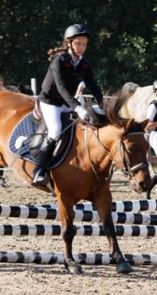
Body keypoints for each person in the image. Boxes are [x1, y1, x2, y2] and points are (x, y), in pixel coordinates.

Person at [32, 24, 104, 184]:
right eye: (78, 43)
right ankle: (39, 170)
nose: (81, 47)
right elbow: (62, 88)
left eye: (84, 44)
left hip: (67, 101)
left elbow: (93, 85)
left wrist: (101, 102)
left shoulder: (83, 63)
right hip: (50, 101)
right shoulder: (59, 60)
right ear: (69, 43)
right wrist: (78, 107)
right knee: (56, 130)